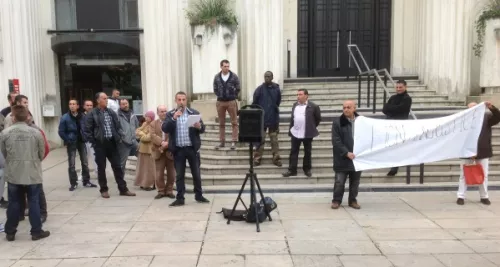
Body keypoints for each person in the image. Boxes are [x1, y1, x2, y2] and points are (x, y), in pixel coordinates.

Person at [1, 105, 50, 241]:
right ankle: (36, 231)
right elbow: (42, 153)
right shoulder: (36, 133)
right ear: (27, 116)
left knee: (14, 202)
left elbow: (4, 153)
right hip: (32, 172)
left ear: (14, 117)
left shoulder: (5, 133)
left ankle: (10, 232)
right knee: (33, 201)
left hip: (14, 173)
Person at [84, 92, 136, 198]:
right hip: (100, 144)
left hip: (112, 143)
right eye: (104, 98)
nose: (106, 100)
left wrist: (119, 136)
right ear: (98, 100)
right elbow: (87, 130)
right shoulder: (92, 114)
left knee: (117, 167)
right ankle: (104, 189)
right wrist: (94, 143)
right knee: (101, 168)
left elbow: (117, 126)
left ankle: (123, 189)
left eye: (106, 98)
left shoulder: (111, 112)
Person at [162, 91, 210, 207]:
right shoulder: (170, 114)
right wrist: (173, 118)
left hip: (192, 149)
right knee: (179, 175)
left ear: (186, 101)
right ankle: (180, 198)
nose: (181, 102)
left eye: (183, 100)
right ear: (176, 101)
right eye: (179, 100)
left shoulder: (193, 113)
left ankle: (199, 195)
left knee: (196, 174)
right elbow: (165, 128)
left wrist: (199, 127)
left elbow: (203, 129)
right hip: (178, 149)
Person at [457, 101, 500, 205]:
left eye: (475, 108)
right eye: (470, 108)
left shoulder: (486, 118)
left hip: (483, 150)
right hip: (466, 151)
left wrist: (491, 107)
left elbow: (498, 117)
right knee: (464, 175)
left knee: (483, 174)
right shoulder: (463, 120)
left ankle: (484, 196)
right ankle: (461, 196)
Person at [58, 99, 96, 191]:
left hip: (81, 141)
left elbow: (87, 128)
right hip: (72, 142)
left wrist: (87, 137)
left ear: (78, 106)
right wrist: (68, 140)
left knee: (85, 162)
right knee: (72, 164)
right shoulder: (65, 117)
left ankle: (86, 181)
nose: (72, 106)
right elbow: (61, 131)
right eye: (70, 104)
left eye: (74, 104)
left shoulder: (82, 116)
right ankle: (73, 183)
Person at [283, 89, 321, 178]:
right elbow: (293, 118)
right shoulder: (294, 105)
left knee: (307, 152)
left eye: (300, 94)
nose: (298, 96)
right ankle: (292, 170)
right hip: (295, 132)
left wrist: (311, 127)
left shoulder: (313, 106)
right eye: (297, 94)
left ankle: (307, 169)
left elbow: (317, 119)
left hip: (307, 133)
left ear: (306, 96)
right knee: (293, 151)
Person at [331, 100, 361, 210]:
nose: (346, 109)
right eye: (344, 107)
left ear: (354, 108)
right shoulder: (337, 122)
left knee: (355, 182)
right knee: (339, 181)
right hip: (342, 158)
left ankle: (353, 200)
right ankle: (336, 200)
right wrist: (346, 152)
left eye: (349, 107)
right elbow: (336, 141)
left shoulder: (362, 122)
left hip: (357, 158)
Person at [252, 71, 282, 167]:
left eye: (268, 76)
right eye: (265, 76)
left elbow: (278, 102)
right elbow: (255, 102)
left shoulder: (276, 89)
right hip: (262, 119)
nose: (267, 78)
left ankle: (276, 158)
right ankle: (257, 158)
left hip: (273, 118)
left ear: (272, 77)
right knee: (261, 139)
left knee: (274, 140)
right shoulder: (259, 89)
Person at [382, 79, 412, 176]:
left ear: (405, 87)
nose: (398, 89)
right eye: (397, 87)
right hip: (390, 125)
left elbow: (401, 109)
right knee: (390, 146)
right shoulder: (393, 97)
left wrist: (391, 109)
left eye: (400, 87)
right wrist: (394, 109)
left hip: (400, 126)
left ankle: (395, 167)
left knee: (397, 147)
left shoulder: (407, 98)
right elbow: (384, 109)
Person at [149, 105, 176, 199]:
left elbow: (174, 135)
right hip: (158, 151)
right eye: (162, 111)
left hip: (170, 151)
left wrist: (167, 143)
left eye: (165, 111)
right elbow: (152, 135)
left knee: (171, 174)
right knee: (159, 173)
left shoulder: (171, 122)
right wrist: (162, 142)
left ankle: (169, 191)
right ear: (158, 113)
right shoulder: (153, 123)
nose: (164, 113)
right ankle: (161, 191)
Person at [213, 59, 240, 150]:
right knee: (221, 123)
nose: (227, 68)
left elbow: (238, 87)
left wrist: (233, 95)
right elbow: (215, 88)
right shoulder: (217, 77)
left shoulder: (234, 76)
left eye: (228, 66)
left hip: (231, 102)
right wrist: (220, 95)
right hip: (220, 102)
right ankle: (222, 141)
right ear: (221, 67)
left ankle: (234, 141)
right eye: (225, 66)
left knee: (234, 122)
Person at [134, 111, 156, 190]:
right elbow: (136, 131)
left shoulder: (153, 125)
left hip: (149, 150)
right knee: (142, 168)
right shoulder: (144, 124)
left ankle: (150, 184)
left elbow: (148, 138)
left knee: (149, 169)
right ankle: (143, 183)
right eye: (146, 116)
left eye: (148, 117)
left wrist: (141, 134)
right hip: (142, 149)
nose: (146, 118)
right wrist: (142, 134)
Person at [116, 99, 139, 172]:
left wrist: (137, 136)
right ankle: (120, 180)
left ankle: (143, 178)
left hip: (134, 141)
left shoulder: (133, 114)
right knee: (122, 163)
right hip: (123, 143)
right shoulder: (117, 115)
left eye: (126, 103)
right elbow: (115, 128)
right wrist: (121, 137)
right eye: (123, 104)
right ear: (120, 105)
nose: (125, 105)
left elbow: (136, 125)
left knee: (143, 158)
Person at [81, 100, 98, 177]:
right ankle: (83, 174)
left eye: (91, 105)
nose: (89, 107)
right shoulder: (81, 117)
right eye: (87, 105)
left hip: (93, 140)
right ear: (84, 106)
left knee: (96, 158)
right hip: (84, 140)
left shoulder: (95, 115)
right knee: (84, 159)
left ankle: (98, 173)